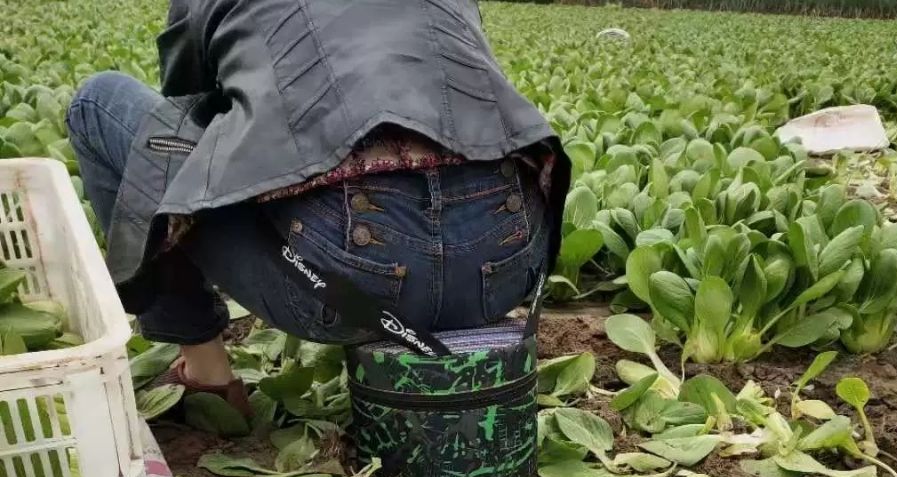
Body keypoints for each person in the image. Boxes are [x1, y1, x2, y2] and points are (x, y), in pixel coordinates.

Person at [66, 0, 570, 414]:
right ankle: (459, 329)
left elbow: (183, 118)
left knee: (97, 101)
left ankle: (207, 376)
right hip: (503, 272)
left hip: (342, 289)